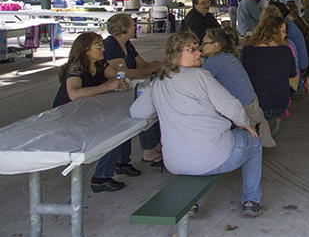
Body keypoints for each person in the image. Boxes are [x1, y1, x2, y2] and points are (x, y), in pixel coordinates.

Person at [130, 32, 263, 218]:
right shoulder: (201, 76)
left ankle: (192, 203)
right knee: (255, 143)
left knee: (195, 156)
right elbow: (232, 106)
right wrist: (244, 124)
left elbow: (137, 112)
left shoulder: (158, 82)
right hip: (215, 156)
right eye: (191, 50)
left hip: (175, 162)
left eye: (197, 48)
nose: (198, 53)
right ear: (175, 53)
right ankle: (251, 200)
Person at [53, 32, 135, 193]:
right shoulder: (75, 68)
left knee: (124, 123)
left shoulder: (100, 64)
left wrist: (118, 82)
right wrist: (106, 87)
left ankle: (122, 162)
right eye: (98, 46)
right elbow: (74, 94)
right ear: (85, 50)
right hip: (69, 115)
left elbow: (117, 77)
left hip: (88, 109)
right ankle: (101, 177)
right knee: (112, 130)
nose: (103, 49)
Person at [201, 28, 275, 149]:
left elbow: (197, 84)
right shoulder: (226, 57)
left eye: (204, 44)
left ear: (215, 45)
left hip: (244, 111)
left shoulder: (214, 61)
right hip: (252, 106)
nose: (201, 47)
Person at [103, 13, 162, 162]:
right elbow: (124, 73)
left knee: (153, 105)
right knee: (142, 111)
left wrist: (155, 65)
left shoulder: (127, 44)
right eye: (132, 24)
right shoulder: (110, 45)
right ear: (125, 28)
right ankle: (147, 150)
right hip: (111, 91)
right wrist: (150, 69)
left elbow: (141, 64)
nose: (135, 26)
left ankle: (155, 145)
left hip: (128, 87)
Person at [241, 15, 295, 127]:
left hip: (255, 105)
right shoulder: (286, 51)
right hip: (280, 104)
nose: (285, 35)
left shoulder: (247, 50)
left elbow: (244, 75)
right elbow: (292, 75)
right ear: (275, 32)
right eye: (284, 31)